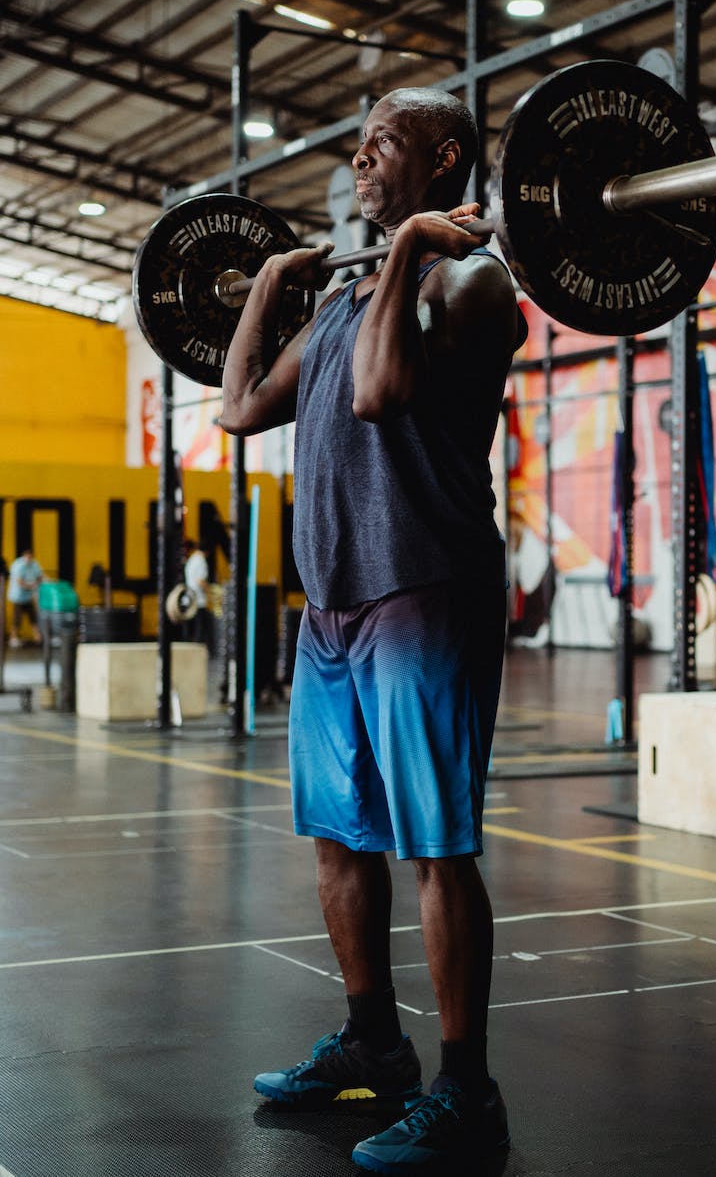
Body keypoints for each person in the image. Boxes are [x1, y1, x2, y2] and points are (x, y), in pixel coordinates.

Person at [220, 85, 527, 1174]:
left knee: (435, 844)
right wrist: (266, 282)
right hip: (333, 603)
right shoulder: (347, 296)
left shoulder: (475, 281)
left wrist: (399, 252)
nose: (358, 162)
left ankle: (466, 1089)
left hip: (425, 591)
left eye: (380, 146)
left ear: (443, 159)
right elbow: (240, 404)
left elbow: (379, 394)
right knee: (340, 834)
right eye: (354, 149)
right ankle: (371, 1039)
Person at [8, 548, 43, 648]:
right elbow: (19, 581)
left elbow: (40, 576)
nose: (29, 560)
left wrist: (39, 582)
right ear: (24, 557)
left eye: (30, 558)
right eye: (27, 558)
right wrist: (31, 585)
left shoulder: (34, 564)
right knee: (17, 619)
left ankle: (38, 638)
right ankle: (13, 638)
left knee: (33, 617)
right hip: (18, 596)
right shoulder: (18, 565)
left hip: (28, 597)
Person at [183, 538, 212, 652]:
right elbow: (201, 581)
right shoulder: (201, 561)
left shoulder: (192, 559)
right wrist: (209, 591)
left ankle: (189, 651)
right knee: (201, 628)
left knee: (190, 628)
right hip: (198, 600)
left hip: (189, 597)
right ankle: (199, 652)